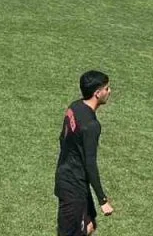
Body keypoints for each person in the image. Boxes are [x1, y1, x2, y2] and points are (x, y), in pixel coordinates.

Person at [56, 70, 114, 236]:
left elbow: (62, 137)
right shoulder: (91, 126)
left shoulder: (74, 106)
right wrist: (102, 200)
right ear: (97, 93)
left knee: (89, 225)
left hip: (67, 176)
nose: (109, 91)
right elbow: (90, 164)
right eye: (107, 88)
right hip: (73, 187)